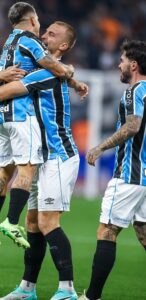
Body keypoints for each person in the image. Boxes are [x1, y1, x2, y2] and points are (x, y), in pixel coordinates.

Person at [0, 21, 88, 300]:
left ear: (63, 46)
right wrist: (73, 78)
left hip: (58, 156)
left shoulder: (44, 74)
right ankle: (27, 289)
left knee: (47, 222)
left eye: (51, 35)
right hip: (41, 157)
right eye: (45, 31)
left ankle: (66, 289)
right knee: (32, 223)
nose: (44, 36)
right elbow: (65, 72)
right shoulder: (47, 71)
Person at [0, 2, 75, 249]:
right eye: (41, 26)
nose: (43, 33)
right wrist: (70, 72)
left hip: (0, 116)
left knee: (6, 169)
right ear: (33, 20)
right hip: (20, 114)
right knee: (28, 168)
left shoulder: (7, 45)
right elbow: (53, 66)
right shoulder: (29, 40)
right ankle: (11, 221)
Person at [78, 40, 146, 300]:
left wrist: (99, 147)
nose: (118, 65)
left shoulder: (135, 91)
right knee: (143, 233)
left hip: (130, 174)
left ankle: (92, 296)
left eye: (121, 60)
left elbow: (132, 127)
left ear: (133, 64)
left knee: (107, 230)